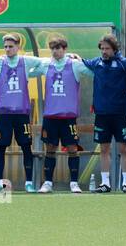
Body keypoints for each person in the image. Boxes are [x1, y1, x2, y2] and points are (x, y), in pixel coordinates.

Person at [0, 33, 48, 192]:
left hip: (21, 114)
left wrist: (30, 74)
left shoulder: (25, 61)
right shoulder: (0, 61)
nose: (7, 49)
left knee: (26, 147)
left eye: (11, 46)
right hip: (4, 114)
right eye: (5, 46)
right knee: (0, 148)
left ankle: (29, 183)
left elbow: (43, 62)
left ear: (18, 47)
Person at [81, 35, 126, 193]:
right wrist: (74, 56)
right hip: (102, 114)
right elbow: (81, 61)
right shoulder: (96, 63)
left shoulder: (124, 64)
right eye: (102, 49)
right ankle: (105, 184)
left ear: (114, 49)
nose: (104, 51)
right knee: (104, 150)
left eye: (107, 49)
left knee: (123, 149)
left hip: (119, 114)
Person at [37, 37, 91, 193]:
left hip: (68, 117)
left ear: (65, 49)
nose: (55, 51)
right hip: (50, 117)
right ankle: (47, 183)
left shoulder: (74, 65)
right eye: (53, 48)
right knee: (50, 149)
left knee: (72, 148)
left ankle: (74, 183)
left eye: (58, 48)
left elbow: (93, 72)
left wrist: (81, 59)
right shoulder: (47, 65)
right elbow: (29, 71)